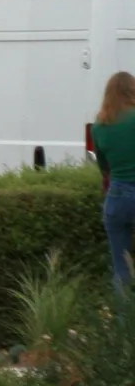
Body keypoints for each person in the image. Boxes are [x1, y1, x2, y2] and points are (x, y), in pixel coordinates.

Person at [98, 70, 135, 292]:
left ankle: (123, 325)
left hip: (117, 196)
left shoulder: (100, 125)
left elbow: (104, 169)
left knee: (120, 269)